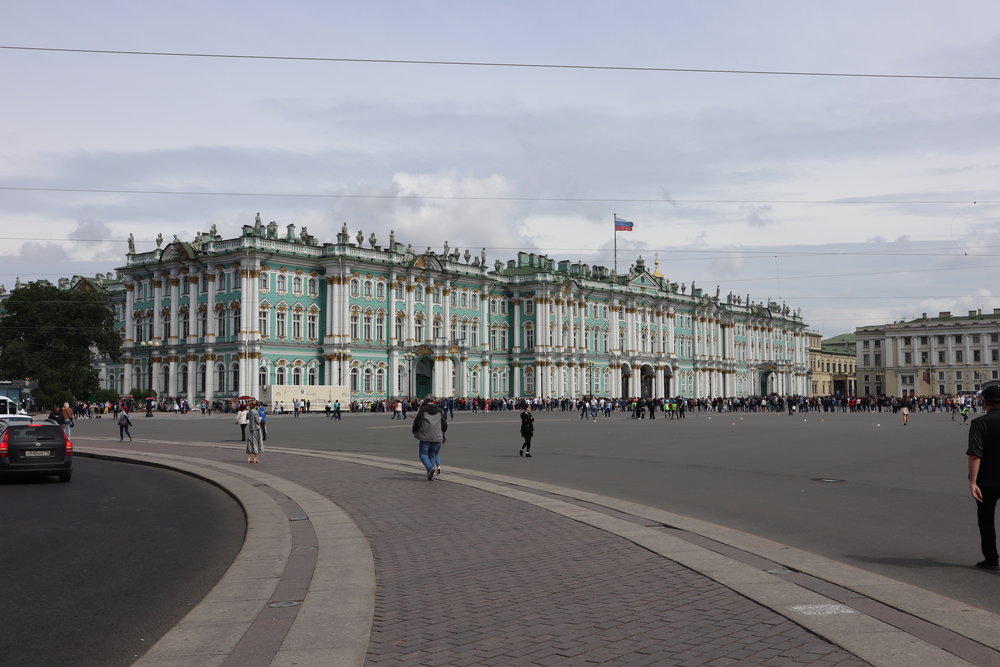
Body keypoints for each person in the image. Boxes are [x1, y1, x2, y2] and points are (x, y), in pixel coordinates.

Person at [967, 385, 1000, 571]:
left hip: (986, 480)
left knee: (986, 519)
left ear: (984, 402)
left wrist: (973, 481)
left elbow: (975, 454)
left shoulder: (979, 423)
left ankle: (991, 558)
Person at [412, 395, 447, 480]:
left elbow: (417, 421)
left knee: (423, 454)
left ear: (425, 400)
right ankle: (432, 472)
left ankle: (430, 468)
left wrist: (414, 430)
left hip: (425, 436)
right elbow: (444, 424)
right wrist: (442, 432)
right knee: (432, 454)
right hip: (437, 436)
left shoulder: (423, 409)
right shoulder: (439, 410)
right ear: (434, 400)